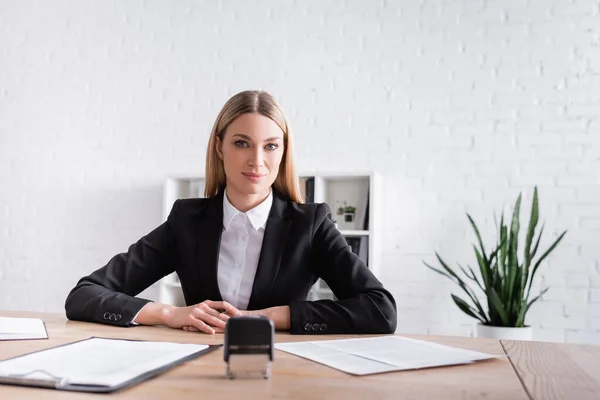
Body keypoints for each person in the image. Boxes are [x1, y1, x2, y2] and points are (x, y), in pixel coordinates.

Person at [65, 90, 397, 335]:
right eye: (241, 143)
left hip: (285, 376)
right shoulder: (187, 222)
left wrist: (269, 317)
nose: (257, 160)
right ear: (219, 147)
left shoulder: (310, 225)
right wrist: (171, 313)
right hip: (197, 374)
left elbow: (381, 310)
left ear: (283, 152)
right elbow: (84, 295)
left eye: (270, 146)